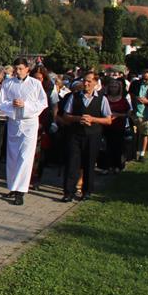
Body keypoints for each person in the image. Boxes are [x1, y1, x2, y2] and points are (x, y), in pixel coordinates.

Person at [0, 58, 48, 205]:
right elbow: (2, 102)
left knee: (25, 157)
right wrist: (12, 105)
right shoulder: (8, 83)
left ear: (27, 69)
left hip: (29, 123)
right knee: (12, 155)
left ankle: (21, 191)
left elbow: (42, 102)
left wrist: (25, 105)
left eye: (20, 68)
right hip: (14, 122)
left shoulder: (35, 84)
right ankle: (13, 186)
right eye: (16, 68)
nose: (18, 71)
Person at [60, 70, 112, 202]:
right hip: (76, 134)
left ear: (95, 82)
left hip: (93, 135)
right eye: (84, 81)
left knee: (89, 163)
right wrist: (78, 118)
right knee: (72, 163)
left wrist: (93, 119)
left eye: (89, 81)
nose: (86, 84)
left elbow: (108, 120)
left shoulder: (102, 99)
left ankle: (87, 191)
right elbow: (66, 115)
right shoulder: (74, 96)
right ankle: (68, 192)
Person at [101, 77, 130, 174]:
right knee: (106, 147)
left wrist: (118, 115)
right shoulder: (104, 98)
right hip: (106, 126)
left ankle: (117, 165)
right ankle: (106, 166)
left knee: (118, 146)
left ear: (119, 88)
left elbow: (128, 113)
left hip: (119, 126)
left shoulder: (123, 100)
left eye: (115, 87)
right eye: (112, 86)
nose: (113, 88)